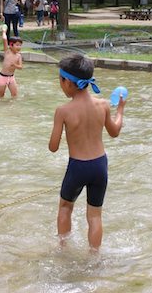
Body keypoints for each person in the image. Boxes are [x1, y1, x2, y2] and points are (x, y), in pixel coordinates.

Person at [49, 53, 125, 251]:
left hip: (78, 166)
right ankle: (94, 256)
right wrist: (121, 110)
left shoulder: (63, 111)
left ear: (67, 83)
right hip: (100, 165)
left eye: (60, 79)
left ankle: (63, 248)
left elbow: (53, 146)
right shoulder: (103, 104)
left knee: (66, 207)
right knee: (95, 215)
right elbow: (114, 132)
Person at [0, 25, 23, 98]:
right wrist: (4, 31)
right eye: (17, 45)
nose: (19, 47)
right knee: (1, 96)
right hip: (3, 77)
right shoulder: (7, 52)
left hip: (11, 78)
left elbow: (21, 67)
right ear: (11, 45)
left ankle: (12, 108)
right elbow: (4, 39)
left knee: (15, 95)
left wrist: (15, 65)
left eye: (20, 45)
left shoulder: (19, 56)